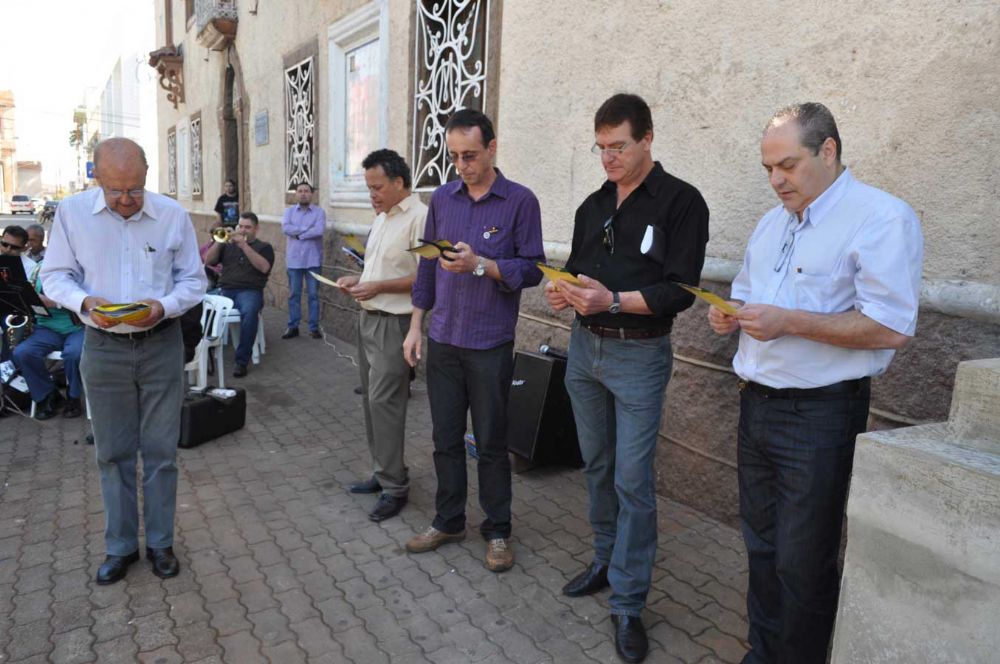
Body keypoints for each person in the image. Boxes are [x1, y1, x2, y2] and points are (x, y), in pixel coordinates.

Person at [707, 102, 923, 664]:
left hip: (819, 415)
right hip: (755, 405)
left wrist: (789, 322)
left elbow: (891, 326)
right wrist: (729, 314)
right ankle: (763, 653)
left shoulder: (881, 217)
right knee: (761, 548)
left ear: (828, 151)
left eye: (788, 165)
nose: (776, 180)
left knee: (802, 561)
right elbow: (747, 293)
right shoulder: (771, 223)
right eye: (768, 169)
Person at [544, 93, 709, 664]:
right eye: (601, 148)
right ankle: (605, 560)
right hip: (584, 350)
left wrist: (612, 299)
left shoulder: (682, 202)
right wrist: (563, 290)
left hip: (639, 356)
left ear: (647, 139)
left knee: (633, 481)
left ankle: (630, 602)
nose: (608, 158)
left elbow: (680, 291)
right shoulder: (593, 205)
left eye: (618, 146)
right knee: (597, 465)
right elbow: (576, 271)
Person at [41, 137, 207, 585]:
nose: (127, 200)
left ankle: (160, 543)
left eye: (135, 188)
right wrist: (84, 301)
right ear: (96, 177)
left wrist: (164, 306)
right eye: (115, 190)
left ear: (147, 174)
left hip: (161, 342)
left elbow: (194, 280)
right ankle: (120, 547)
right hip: (102, 347)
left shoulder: (171, 215)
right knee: (112, 452)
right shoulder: (73, 213)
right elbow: (54, 276)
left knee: (161, 452)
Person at [403, 109, 545, 572]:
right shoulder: (443, 200)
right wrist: (415, 325)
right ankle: (448, 521)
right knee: (444, 438)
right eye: (454, 156)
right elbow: (428, 264)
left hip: (489, 343)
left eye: (470, 155)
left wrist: (482, 264)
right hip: (443, 338)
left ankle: (498, 529)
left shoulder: (520, 202)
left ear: (492, 148)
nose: (462, 165)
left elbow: (533, 269)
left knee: (490, 442)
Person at [338, 149, 427, 523]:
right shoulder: (382, 218)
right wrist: (360, 280)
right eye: (368, 188)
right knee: (372, 405)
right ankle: (383, 470)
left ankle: (395, 488)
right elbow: (379, 269)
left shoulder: (420, 217)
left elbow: (426, 276)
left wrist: (378, 287)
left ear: (399, 182)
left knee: (385, 404)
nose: (371, 195)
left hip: (396, 323)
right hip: (369, 319)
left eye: (376, 187)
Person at [203, 211, 274, 377]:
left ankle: (241, 361)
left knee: (250, 312)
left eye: (247, 227)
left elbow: (264, 267)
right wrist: (220, 242)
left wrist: (244, 246)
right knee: (201, 307)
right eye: (240, 226)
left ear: (256, 229)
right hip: (225, 289)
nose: (242, 230)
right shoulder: (228, 245)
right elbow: (208, 260)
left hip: (250, 291)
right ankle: (205, 353)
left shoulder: (264, 247)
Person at [12, 260, 85, 419]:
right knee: (23, 352)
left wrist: (55, 304)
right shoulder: (38, 268)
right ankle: (48, 395)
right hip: (46, 328)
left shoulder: (79, 267)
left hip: (78, 327)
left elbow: (87, 301)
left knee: (74, 354)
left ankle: (73, 397)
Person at [281, 181, 324, 339]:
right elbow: (286, 228)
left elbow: (319, 231)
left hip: (313, 260)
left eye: (306, 191)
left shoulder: (319, 212)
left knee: (313, 295)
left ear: (312, 194)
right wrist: (307, 231)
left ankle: (314, 327)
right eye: (300, 191)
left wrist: (298, 234)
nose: (303, 193)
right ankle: (293, 326)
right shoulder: (289, 212)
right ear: (296, 194)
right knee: (294, 295)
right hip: (294, 260)